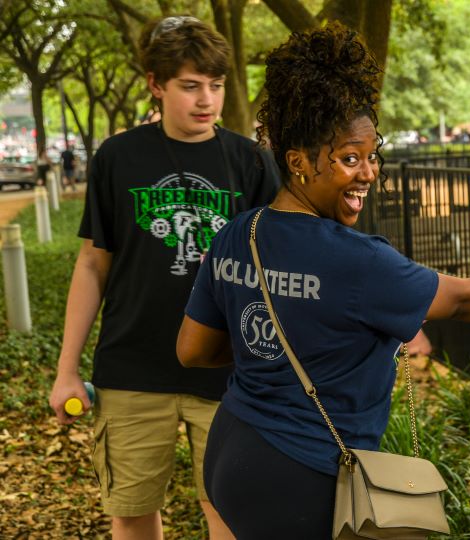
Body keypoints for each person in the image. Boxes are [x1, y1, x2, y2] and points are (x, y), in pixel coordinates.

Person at [175, 23, 470, 538]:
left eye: (372, 156)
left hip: (232, 450)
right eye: (348, 158)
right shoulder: (358, 260)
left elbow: (193, 349)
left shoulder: (239, 234)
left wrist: (279, 348)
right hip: (304, 474)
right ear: (298, 162)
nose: (368, 173)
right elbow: (462, 301)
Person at [49, 15, 280, 540]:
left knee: (228, 513)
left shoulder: (250, 162)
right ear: (156, 84)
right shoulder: (117, 157)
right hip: (131, 369)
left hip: (227, 373)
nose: (207, 100)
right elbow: (92, 264)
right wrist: (67, 369)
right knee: (131, 513)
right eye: (190, 86)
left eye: (216, 86)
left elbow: (282, 266)